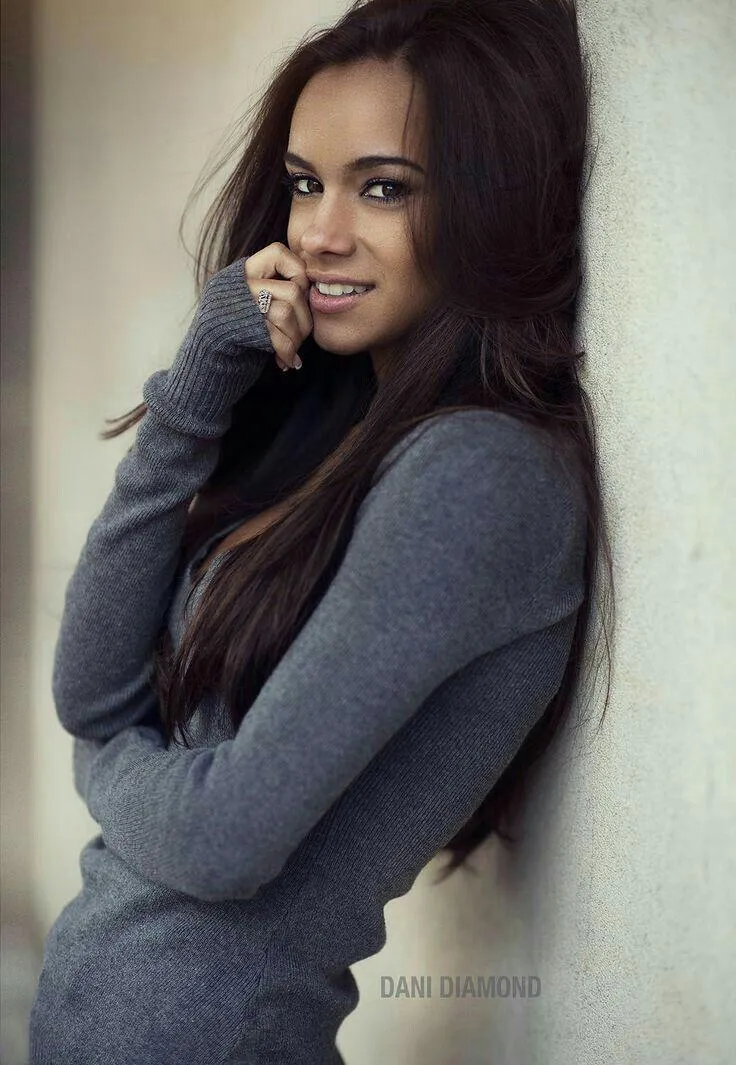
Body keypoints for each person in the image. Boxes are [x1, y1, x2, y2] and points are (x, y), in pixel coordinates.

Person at [28, 0, 613, 1062]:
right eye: (305, 184)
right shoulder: (341, 441)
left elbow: (221, 842)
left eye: (383, 188)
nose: (319, 234)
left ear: (491, 202)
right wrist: (202, 384)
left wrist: (106, 764)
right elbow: (89, 688)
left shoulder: (480, 476)